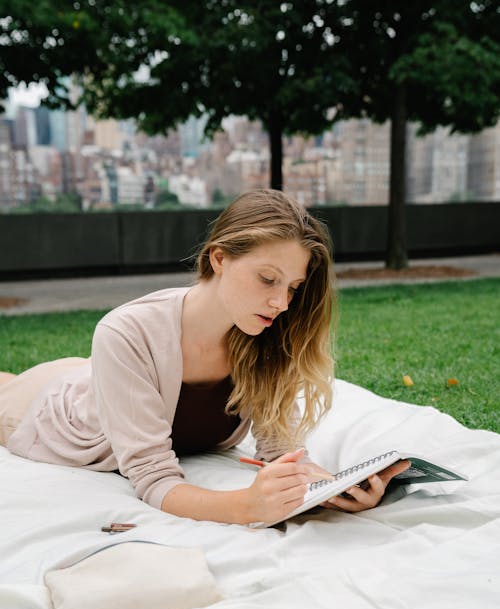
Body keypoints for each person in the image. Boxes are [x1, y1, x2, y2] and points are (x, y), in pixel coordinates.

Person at [0, 189, 406, 525]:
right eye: (267, 279)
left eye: (293, 287)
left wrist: (333, 487)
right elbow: (153, 479)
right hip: (53, 410)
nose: (281, 302)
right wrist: (245, 506)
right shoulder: (123, 332)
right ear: (219, 258)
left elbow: (280, 449)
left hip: (107, 377)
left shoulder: (264, 332)